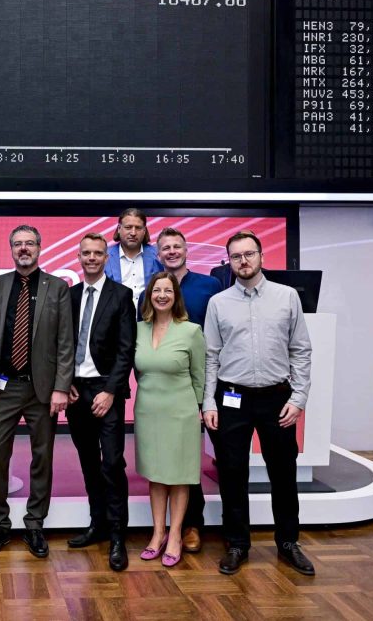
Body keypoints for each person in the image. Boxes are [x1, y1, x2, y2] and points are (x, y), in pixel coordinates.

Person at [203, 231, 315, 577]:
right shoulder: (218, 303)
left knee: (283, 473)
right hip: (232, 398)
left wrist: (299, 398)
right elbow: (210, 357)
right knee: (232, 474)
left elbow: (301, 349)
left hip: (277, 398)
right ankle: (237, 544)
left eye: (249, 254)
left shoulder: (287, 298)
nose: (243, 261)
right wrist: (209, 401)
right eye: (236, 256)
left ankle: (288, 542)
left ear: (262, 256)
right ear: (229, 262)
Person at [0, 225, 74, 559]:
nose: (24, 249)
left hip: (43, 390)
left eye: (29, 243)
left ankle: (35, 523)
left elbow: (65, 342)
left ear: (39, 247)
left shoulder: (58, 286)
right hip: (4, 387)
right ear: (11, 249)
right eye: (18, 244)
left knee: (42, 457)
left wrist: (62, 387)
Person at [65, 234, 136, 571]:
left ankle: (118, 535)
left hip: (107, 391)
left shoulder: (121, 296)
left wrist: (110, 391)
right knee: (89, 463)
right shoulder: (70, 294)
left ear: (106, 257)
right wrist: (65, 384)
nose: (91, 258)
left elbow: (126, 349)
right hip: (76, 391)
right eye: (86, 253)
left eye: (97, 253)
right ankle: (98, 525)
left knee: (112, 464)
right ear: (78, 257)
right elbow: (61, 344)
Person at [155, 227, 223, 553]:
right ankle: (171, 526)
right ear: (158, 254)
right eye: (165, 247)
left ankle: (193, 524)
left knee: (193, 459)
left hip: (204, 381)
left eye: (176, 246)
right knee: (169, 457)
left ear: (186, 249)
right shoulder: (154, 288)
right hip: (166, 388)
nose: (171, 251)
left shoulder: (210, 286)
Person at [134, 272, 206, 568]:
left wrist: (198, 408)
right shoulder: (137, 329)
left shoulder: (191, 331)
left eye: (168, 290)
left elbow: (200, 376)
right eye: (156, 290)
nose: (162, 295)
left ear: (176, 296)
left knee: (179, 475)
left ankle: (175, 535)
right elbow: (139, 371)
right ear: (149, 295)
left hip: (181, 412)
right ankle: (157, 533)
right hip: (148, 410)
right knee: (156, 473)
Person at [103, 208, 163, 310]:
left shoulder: (157, 255)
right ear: (119, 228)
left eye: (138, 228)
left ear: (144, 231)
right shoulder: (105, 256)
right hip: (115, 321)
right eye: (128, 227)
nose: (133, 232)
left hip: (150, 320)